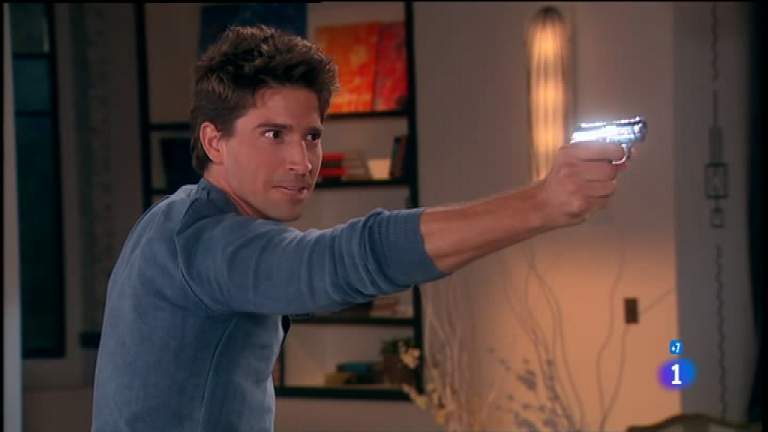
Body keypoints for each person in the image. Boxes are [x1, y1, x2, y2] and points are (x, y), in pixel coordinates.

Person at [91, 25, 629, 432]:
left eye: (311, 136)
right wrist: (541, 204)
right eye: (274, 134)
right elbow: (342, 262)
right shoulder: (203, 240)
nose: (302, 161)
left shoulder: (172, 220)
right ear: (214, 141)